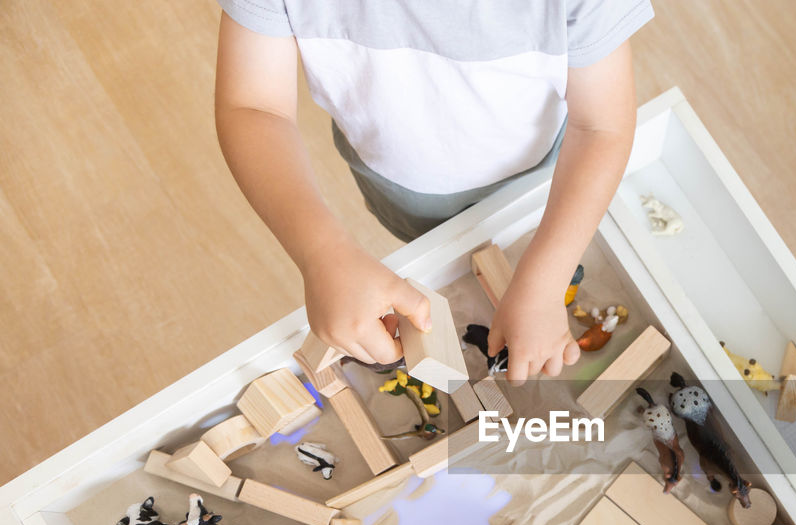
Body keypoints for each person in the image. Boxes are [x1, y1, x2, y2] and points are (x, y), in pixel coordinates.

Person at [214, 1, 653, 383]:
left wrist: (545, 279)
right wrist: (322, 253)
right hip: (400, 187)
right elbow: (253, 107)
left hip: (544, 178)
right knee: (436, 244)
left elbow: (601, 127)